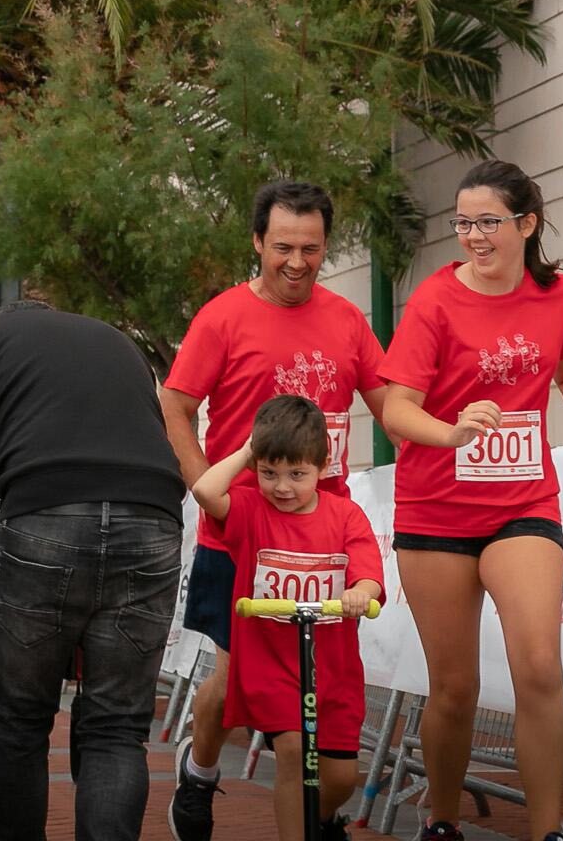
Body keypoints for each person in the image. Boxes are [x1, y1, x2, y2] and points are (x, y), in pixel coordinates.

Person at [378, 159, 563, 841]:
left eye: (488, 222)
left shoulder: (559, 295)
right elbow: (397, 409)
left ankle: (550, 829)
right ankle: (443, 819)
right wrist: (450, 431)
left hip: (523, 504)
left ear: (527, 223)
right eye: (463, 224)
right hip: (435, 511)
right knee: (455, 689)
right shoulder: (434, 301)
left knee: (539, 665)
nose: (474, 237)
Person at [159, 179, 388, 841]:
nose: (296, 262)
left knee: (314, 685)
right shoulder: (222, 317)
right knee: (234, 683)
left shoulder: (346, 319)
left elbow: (387, 400)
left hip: (321, 541)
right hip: (242, 533)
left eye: (311, 249)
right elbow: (175, 405)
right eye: (282, 247)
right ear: (258, 242)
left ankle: (318, 810)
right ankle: (199, 774)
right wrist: (210, 485)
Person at [0, 286, 185, 841]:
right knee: (116, 728)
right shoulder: (115, 341)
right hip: (154, 519)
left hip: (46, 519)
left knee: (19, 726)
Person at [191, 396, 383, 841]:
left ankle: (318, 820)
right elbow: (204, 491)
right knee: (294, 751)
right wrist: (247, 449)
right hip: (270, 664)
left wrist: (360, 592)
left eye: (297, 474)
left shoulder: (344, 515)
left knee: (339, 778)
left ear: (321, 466)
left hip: (332, 670)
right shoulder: (248, 510)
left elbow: (368, 571)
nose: (282, 487)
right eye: (269, 472)